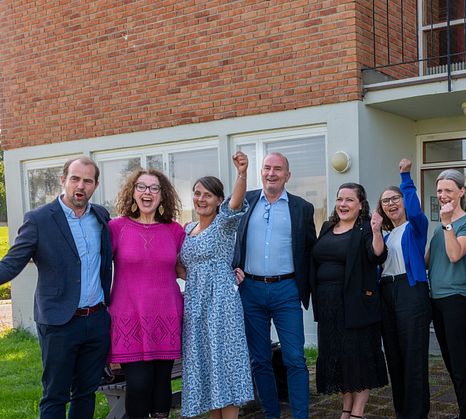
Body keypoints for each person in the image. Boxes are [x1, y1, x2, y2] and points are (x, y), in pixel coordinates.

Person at [0, 157, 111, 418]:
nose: (80, 186)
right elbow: (12, 263)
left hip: (96, 320)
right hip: (59, 322)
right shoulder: (39, 220)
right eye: (74, 179)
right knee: (55, 394)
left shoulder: (101, 216)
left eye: (87, 180)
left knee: (86, 392)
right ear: (63, 181)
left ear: (95, 184)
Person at [232, 152, 316, 419]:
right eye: (267, 168)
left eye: (277, 169)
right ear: (261, 172)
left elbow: (309, 251)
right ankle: (271, 414)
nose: (271, 173)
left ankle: (301, 415)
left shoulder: (302, 208)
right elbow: (226, 234)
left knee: (294, 358)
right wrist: (232, 266)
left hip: (286, 290)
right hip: (251, 291)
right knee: (259, 360)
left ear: (287, 175)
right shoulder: (246, 201)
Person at [180, 152, 253, 418]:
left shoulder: (223, 224)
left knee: (225, 360)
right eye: (197, 193)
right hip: (195, 304)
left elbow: (236, 203)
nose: (201, 199)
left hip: (220, 303)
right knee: (205, 362)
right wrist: (195, 277)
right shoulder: (187, 230)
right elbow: (179, 264)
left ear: (218, 200)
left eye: (207, 195)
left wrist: (242, 173)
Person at [108, 169, 185, 419]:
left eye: (154, 188)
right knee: (139, 385)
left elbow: (189, 269)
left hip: (167, 315)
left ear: (162, 196)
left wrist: (230, 274)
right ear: (132, 193)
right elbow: (93, 265)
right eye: (141, 187)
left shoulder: (174, 231)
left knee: (162, 382)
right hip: (129, 316)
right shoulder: (116, 228)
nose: (147, 192)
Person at [311, 183, 389, 419]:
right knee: (339, 357)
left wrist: (377, 232)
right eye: (339, 199)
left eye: (349, 200)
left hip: (355, 305)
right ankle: (346, 407)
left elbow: (377, 255)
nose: (343, 204)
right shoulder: (326, 226)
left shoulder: (365, 228)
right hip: (327, 305)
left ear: (361, 204)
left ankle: (357, 411)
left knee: (359, 358)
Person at [375, 158, 431, 419]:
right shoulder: (385, 236)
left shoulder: (415, 227)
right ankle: (402, 412)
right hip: (387, 293)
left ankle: (417, 414)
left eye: (395, 199)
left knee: (413, 357)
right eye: (386, 201)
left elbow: (415, 210)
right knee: (394, 358)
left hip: (411, 291)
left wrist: (405, 177)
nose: (391, 204)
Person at [427, 169, 466, 419]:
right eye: (439, 190)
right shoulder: (439, 228)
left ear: (461, 192)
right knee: (449, 361)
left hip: (458, 299)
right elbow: (428, 261)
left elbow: (455, 254)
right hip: (436, 300)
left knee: (460, 363)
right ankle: (463, 411)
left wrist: (448, 223)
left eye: (448, 190)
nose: (443, 195)